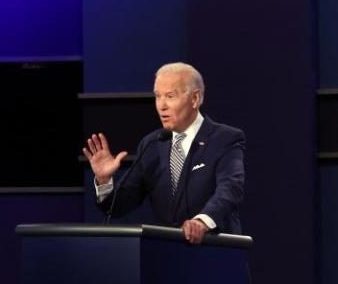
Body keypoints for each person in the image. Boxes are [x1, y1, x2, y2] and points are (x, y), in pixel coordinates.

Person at [82, 63, 245, 244]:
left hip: (215, 253)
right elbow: (117, 207)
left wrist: (202, 221)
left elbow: (230, 189)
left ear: (195, 98)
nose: (161, 106)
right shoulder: (152, 144)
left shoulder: (224, 139)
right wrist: (104, 181)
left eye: (170, 96)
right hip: (167, 257)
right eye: (157, 96)